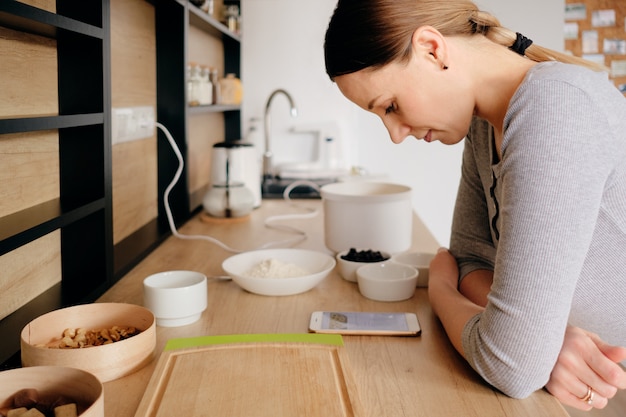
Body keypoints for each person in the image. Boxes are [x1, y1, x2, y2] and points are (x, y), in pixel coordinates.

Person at [323, 0, 626, 411]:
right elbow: (469, 259)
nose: (395, 134)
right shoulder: (485, 127)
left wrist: (443, 292)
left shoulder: (554, 107)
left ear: (432, 49)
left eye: (390, 106)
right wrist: (541, 335)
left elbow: (514, 365)